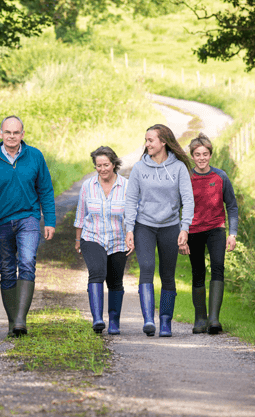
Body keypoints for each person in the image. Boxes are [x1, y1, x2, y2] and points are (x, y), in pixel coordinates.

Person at [0, 115, 56, 337]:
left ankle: (21, 319)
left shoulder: (35, 156)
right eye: (8, 132)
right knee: (7, 269)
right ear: (1, 134)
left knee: (28, 262)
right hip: (1, 221)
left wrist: (49, 220)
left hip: (28, 218)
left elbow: (46, 190)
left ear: (22, 134)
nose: (12, 137)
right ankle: (13, 322)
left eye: (16, 132)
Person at [125, 124, 194, 337]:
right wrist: (129, 229)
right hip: (144, 225)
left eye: (150, 140)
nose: (146, 144)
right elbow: (130, 200)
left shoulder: (179, 168)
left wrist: (185, 228)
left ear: (163, 141)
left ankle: (165, 322)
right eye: (146, 140)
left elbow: (188, 200)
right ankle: (148, 320)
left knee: (167, 274)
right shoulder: (139, 168)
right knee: (146, 267)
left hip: (170, 226)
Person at [180, 133, 238, 334]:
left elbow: (231, 205)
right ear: (192, 156)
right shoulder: (187, 178)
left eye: (205, 154)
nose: (202, 158)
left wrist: (233, 233)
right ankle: (200, 319)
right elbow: (177, 206)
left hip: (216, 228)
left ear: (210, 155)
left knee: (218, 267)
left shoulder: (220, 176)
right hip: (194, 230)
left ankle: (214, 319)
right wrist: (182, 234)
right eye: (197, 154)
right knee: (198, 272)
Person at [74, 146, 132, 335]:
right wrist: (78, 238)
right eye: (98, 166)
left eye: (106, 165)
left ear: (114, 164)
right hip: (92, 236)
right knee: (97, 272)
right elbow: (81, 214)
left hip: (118, 239)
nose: (102, 169)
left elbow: (133, 215)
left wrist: (132, 237)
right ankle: (97, 319)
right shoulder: (88, 186)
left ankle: (114, 322)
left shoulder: (126, 186)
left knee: (115, 281)